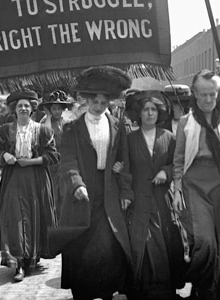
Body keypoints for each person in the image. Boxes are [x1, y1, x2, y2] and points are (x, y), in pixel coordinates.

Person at [53, 65, 133, 300]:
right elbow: (67, 160)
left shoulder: (117, 126)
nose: (99, 107)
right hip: (82, 192)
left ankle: (106, 292)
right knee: (81, 246)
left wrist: (125, 188)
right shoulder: (73, 128)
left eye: (103, 103)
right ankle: (83, 294)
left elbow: (123, 160)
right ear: (87, 101)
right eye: (95, 102)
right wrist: (76, 184)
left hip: (109, 191)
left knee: (108, 245)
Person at [171, 70, 220, 300]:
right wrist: (177, 189)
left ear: (218, 95)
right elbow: (178, 160)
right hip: (195, 186)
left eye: (212, 94)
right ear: (195, 95)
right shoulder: (185, 123)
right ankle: (200, 283)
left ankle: (210, 291)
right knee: (205, 242)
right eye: (203, 95)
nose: (208, 100)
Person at [0, 89, 59, 282]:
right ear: (14, 109)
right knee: (14, 217)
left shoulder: (44, 131)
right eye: (20, 106)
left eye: (27, 105)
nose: (24, 109)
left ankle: (31, 259)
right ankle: (18, 263)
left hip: (37, 179)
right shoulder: (5, 130)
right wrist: (5, 156)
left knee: (35, 216)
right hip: (14, 178)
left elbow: (52, 156)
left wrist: (33, 161)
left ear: (32, 109)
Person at [124, 90, 184, 299]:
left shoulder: (168, 137)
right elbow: (125, 169)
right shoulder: (129, 139)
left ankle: (165, 290)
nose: (149, 113)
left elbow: (177, 164)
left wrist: (165, 172)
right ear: (139, 114)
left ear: (159, 113)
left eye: (153, 110)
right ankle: (142, 290)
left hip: (161, 200)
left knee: (165, 242)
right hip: (139, 200)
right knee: (143, 243)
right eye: (145, 110)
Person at [39, 90, 74, 210]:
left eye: (59, 108)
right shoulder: (44, 123)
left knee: (66, 197)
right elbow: (46, 137)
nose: (57, 111)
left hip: (65, 164)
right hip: (51, 166)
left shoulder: (68, 123)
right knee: (53, 197)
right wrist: (48, 116)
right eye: (54, 109)